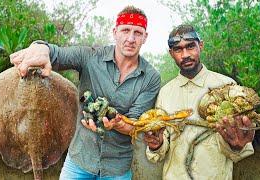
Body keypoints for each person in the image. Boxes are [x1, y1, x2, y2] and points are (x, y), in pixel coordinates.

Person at [10, 6, 161, 180]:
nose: (130, 38)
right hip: (79, 161)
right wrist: (40, 48)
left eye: (138, 33)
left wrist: (117, 123)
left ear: (145, 37)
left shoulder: (151, 78)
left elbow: (135, 124)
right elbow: (57, 53)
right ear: (115, 32)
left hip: (117, 169)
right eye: (125, 30)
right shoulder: (90, 56)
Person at [143, 24, 255, 180]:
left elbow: (239, 148)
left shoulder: (228, 86)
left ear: (200, 45)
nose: (185, 55)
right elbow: (161, 147)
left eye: (190, 46)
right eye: (178, 49)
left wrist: (238, 145)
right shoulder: (165, 93)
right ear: (171, 53)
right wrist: (156, 145)